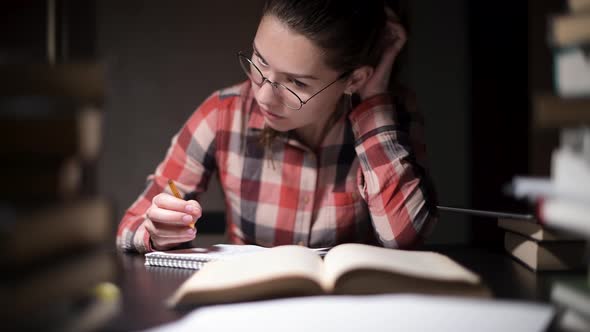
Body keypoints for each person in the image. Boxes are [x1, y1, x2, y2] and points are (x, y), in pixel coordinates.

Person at [117, 0, 438, 253]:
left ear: (354, 79)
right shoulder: (224, 113)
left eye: (296, 82)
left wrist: (374, 103)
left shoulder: (390, 116)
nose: (264, 96)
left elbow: (403, 237)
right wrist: (157, 230)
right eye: (259, 62)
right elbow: (130, 225)